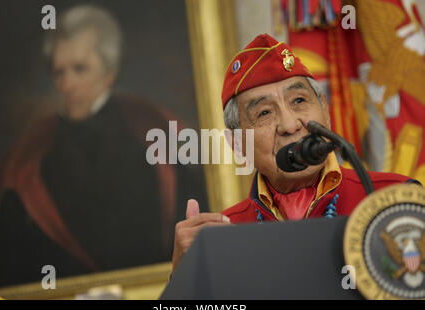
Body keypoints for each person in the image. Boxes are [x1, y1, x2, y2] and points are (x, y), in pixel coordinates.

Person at [0, 5, 206, 288]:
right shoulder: (34, 156)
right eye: (58, 73)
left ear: (109, 72)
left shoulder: (149, 136)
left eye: (79, 69)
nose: (67, 84)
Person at [171, 34, 420, 271]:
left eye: (299, 101)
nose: (290, 125)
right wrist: (185, 278)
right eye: (264, 113)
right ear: (238, 144)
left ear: (325, 108)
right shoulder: (222, 237)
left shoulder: (398, 198)